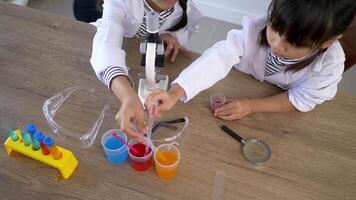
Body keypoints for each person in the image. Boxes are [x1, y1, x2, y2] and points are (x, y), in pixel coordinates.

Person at [147, 0, 356, 121]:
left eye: (294, 43)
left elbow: (301, 99)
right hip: (238, 81)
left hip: (271, 105)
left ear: (326, 42)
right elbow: (219, 57)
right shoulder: (255, 28)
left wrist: (252, 105)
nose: (276, 44)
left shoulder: (330, 65)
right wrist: (176, 91)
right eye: (275, 27)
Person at [89, 0, 202, 141]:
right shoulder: (119, 2)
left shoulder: (182, 6)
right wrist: (127, 95)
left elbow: (178, 31)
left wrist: (167, 36)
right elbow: (107, 45)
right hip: (125, 54)